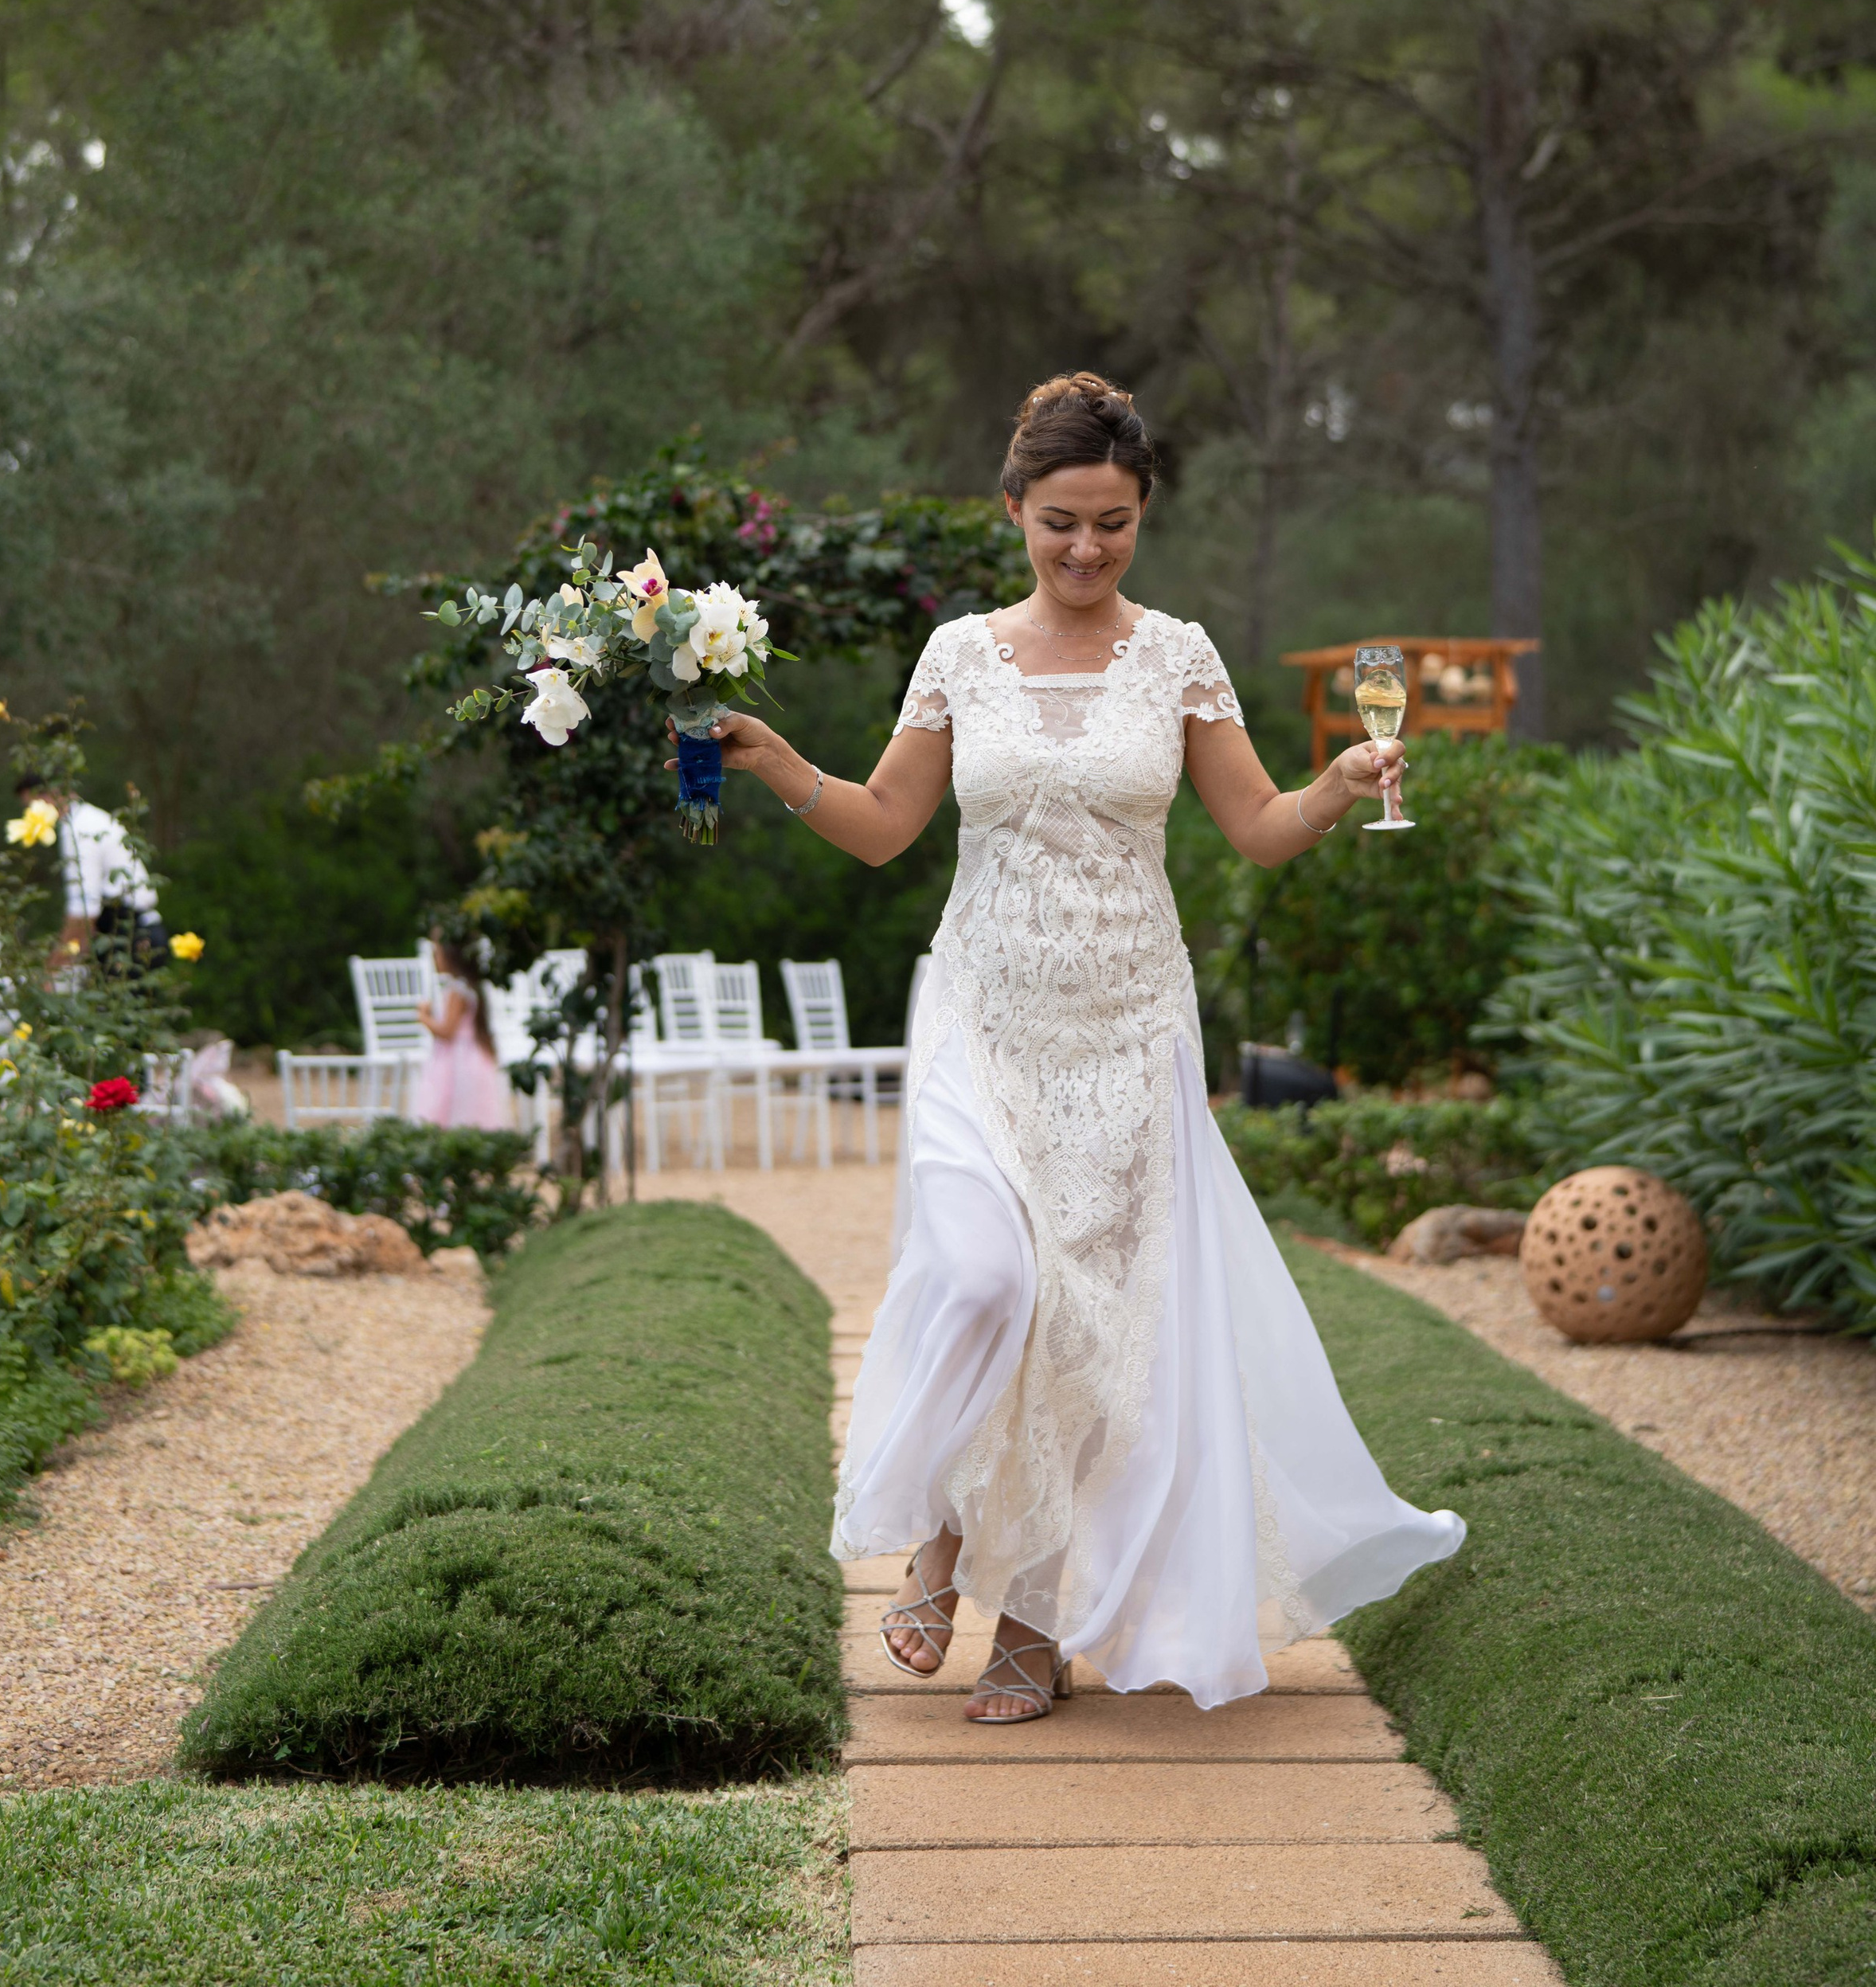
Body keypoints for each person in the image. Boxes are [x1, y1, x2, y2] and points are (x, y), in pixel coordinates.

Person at [697, 371, 1464, 1727]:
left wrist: (1338, 787)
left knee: (1101, 1330)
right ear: (1015, 509)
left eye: (1112, 523)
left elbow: (1258, 827)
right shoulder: (959, 656)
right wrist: (771, 763)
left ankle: (1038, 1625)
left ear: (1143, 510)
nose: (1086, 549)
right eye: (1060, 522)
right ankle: (938, 1533)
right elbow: (883, 824)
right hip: (985, 1015)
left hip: (1128, 1026)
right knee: (988, 1279)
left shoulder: (1179, 655)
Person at [18, 780, 169, 978]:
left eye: (31, 806)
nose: (29, 814)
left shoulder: (80, 829)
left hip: (130, 941)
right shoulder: (88, 818)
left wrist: (52, 971)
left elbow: (83, 913)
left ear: (46, 796)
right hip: (133, 936)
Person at [412, 937, 511, 1131]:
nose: (435, 958)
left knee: (449, 1108)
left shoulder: (456, 990)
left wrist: (423, 1017)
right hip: (471, 1055)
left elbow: (447, 1032)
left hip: (455, 1061)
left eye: (437, 953)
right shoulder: (470, 986)